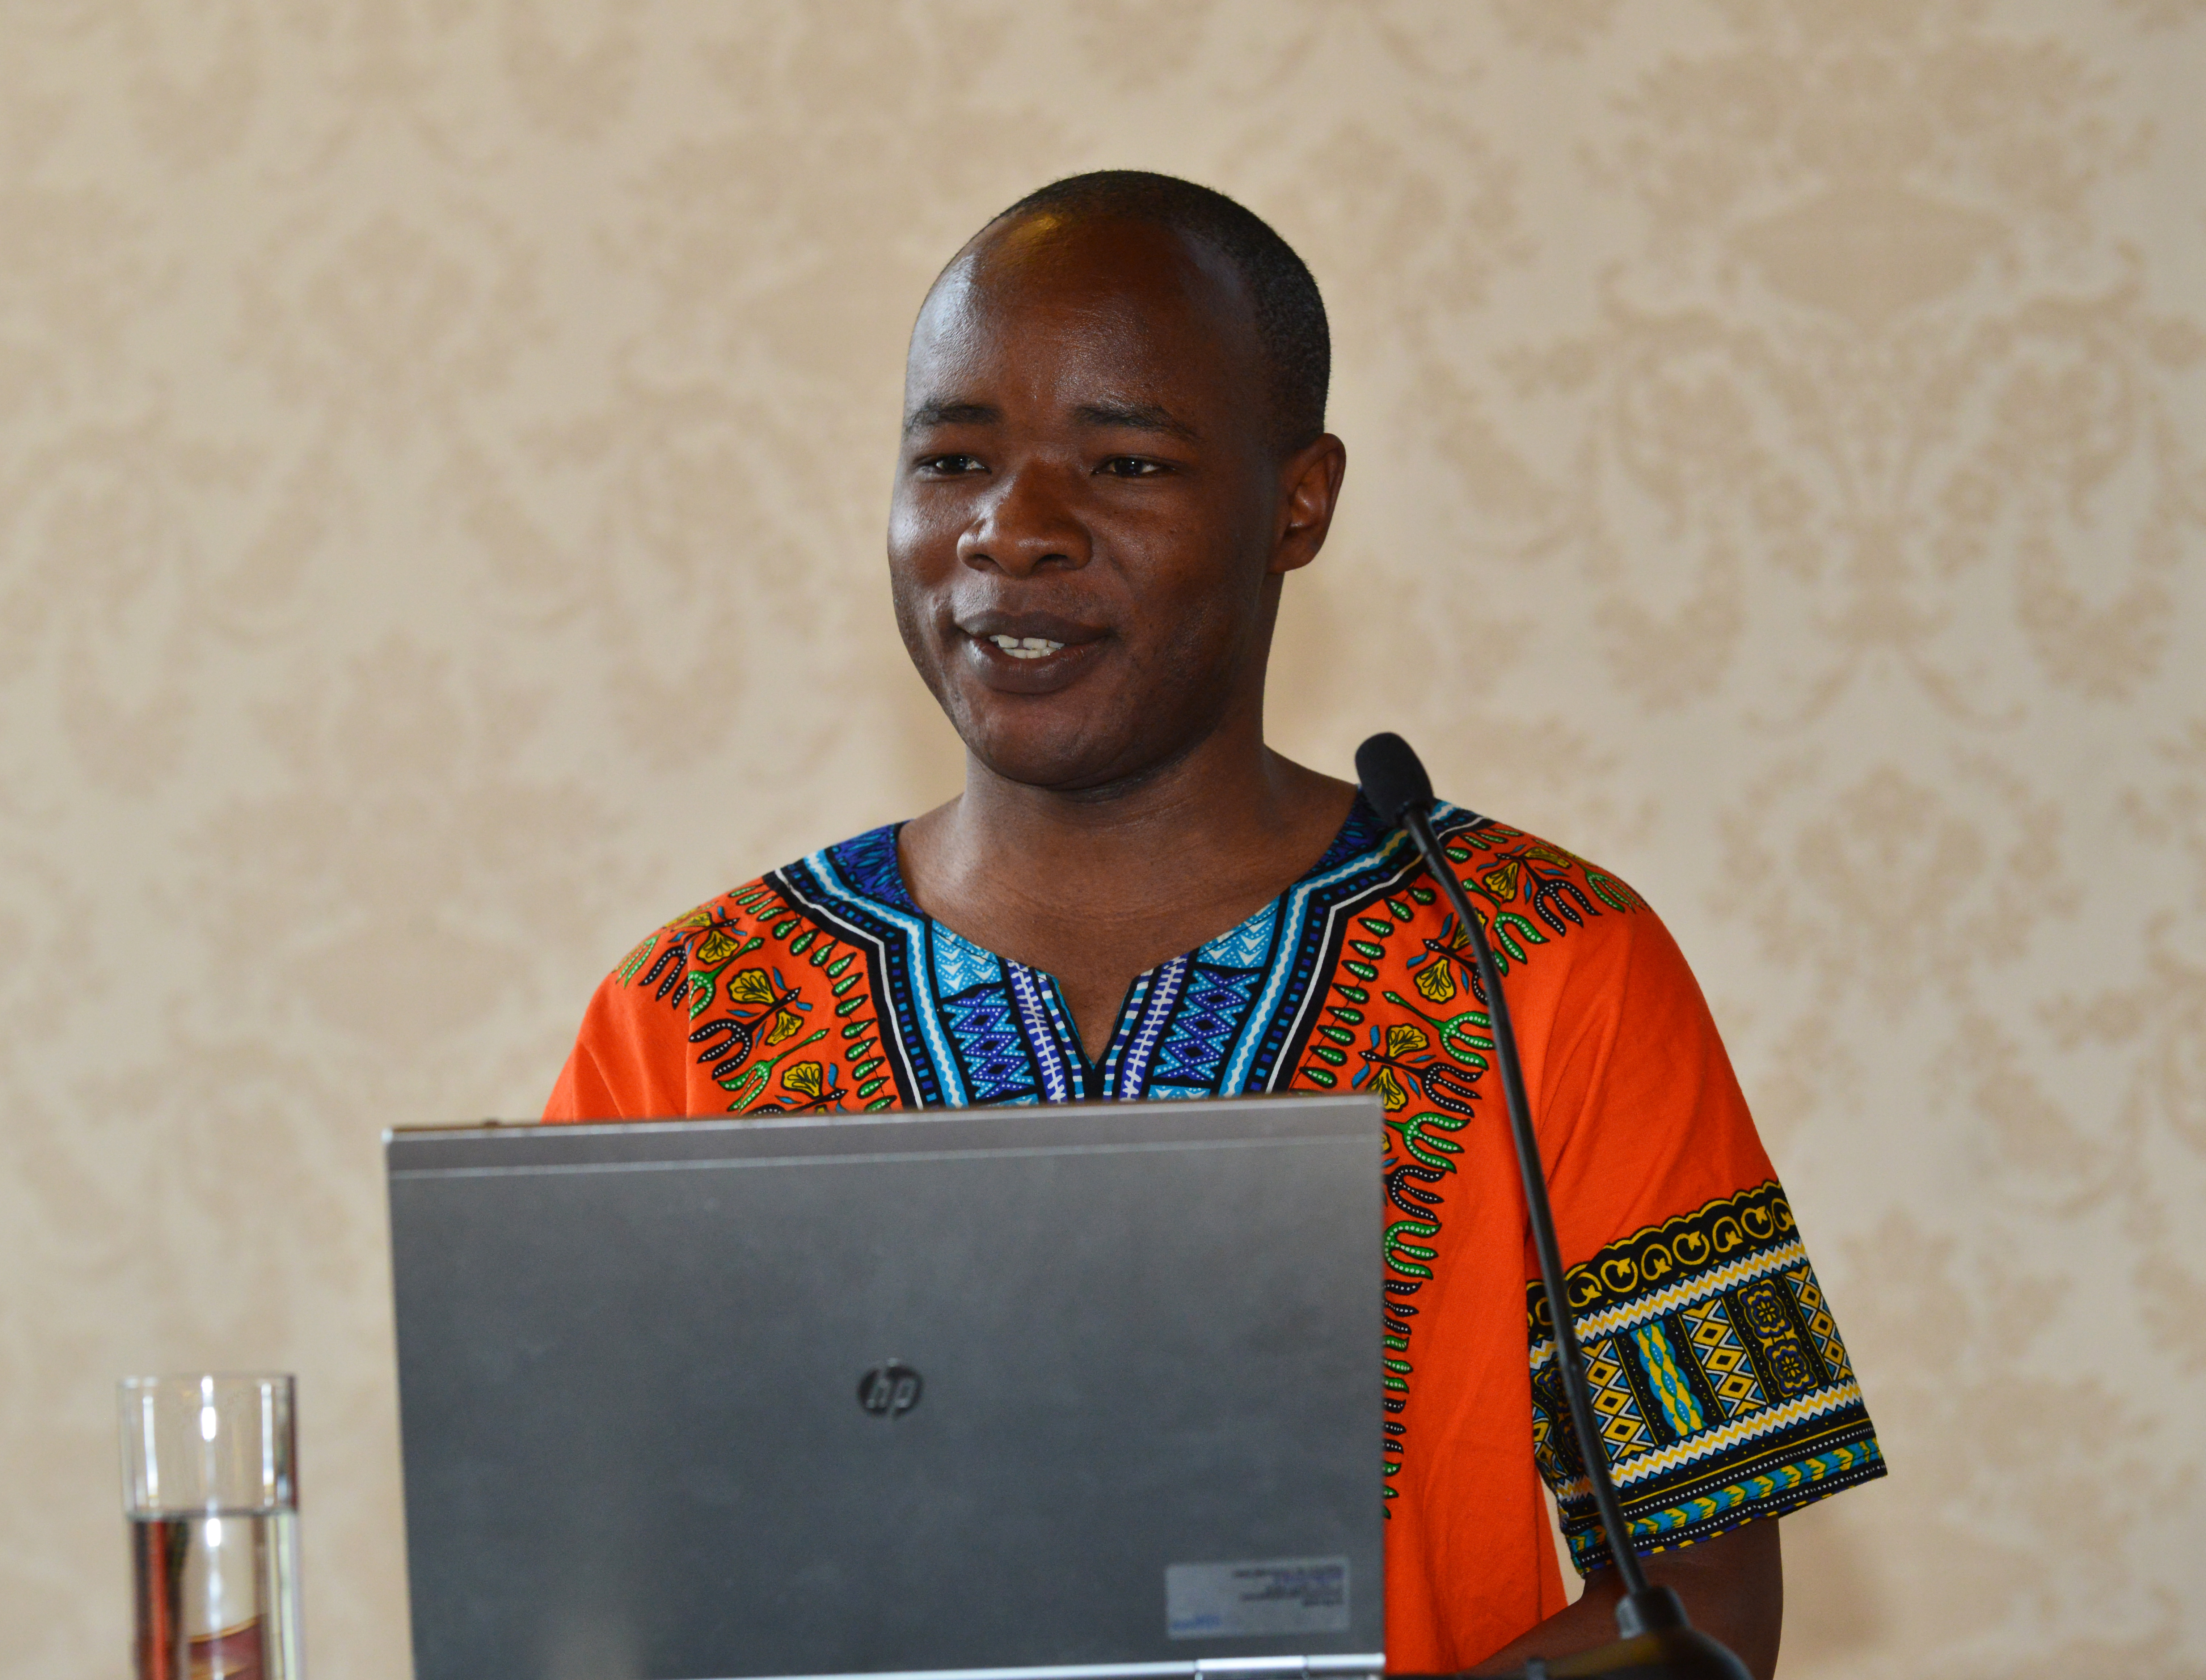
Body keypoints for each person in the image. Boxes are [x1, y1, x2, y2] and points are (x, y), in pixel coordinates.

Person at [544, 171, 1883, 1677]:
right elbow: (584, 1611)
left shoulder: (1547, 961)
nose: (1012, 530)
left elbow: (1705, 1611)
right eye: (953, 459)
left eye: (1124, 464)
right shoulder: (692, 1012)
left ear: (1298, 503)